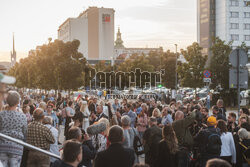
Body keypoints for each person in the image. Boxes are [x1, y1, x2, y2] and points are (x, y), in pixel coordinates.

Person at [0, 91, 27, 167]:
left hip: (2, 146)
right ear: (18, 102)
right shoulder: (22, 117)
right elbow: (25, 133)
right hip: (17, 147)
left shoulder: (1, 114)